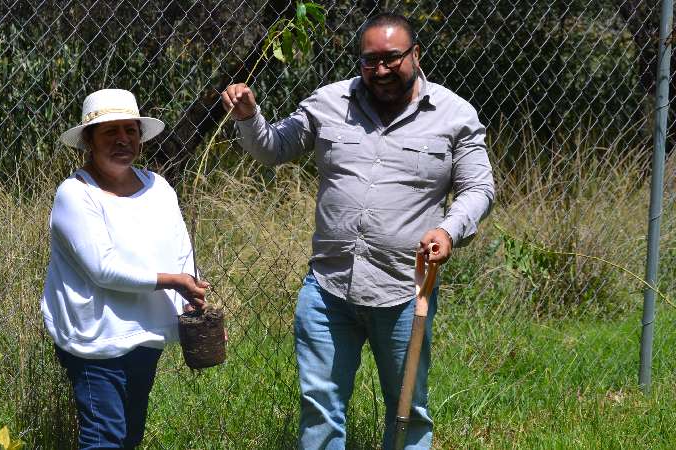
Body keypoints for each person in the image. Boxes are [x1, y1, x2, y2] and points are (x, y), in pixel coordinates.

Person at [221, 13, 494, 450]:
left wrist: (448, 229)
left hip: (406, 290)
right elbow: (274, 148)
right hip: (328, 288)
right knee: (320, 407)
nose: (381, 70)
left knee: (407, 408)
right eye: (370, 61)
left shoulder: (455, 115)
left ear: (416, 55)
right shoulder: (329, 102)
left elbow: (479, 187)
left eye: (392, 58)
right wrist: (250, 117)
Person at [40, 88, 209, 449]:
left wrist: (191, 302)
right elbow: (103, 269)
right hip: (95, 339)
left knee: (129, 435)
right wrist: (174, 282)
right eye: (110, 132)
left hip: (144, 332)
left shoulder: (159, 188)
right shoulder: (75, 194)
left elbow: (181, 253)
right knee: (104, 437)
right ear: (89, 140)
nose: (122, 140)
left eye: (130, 130)